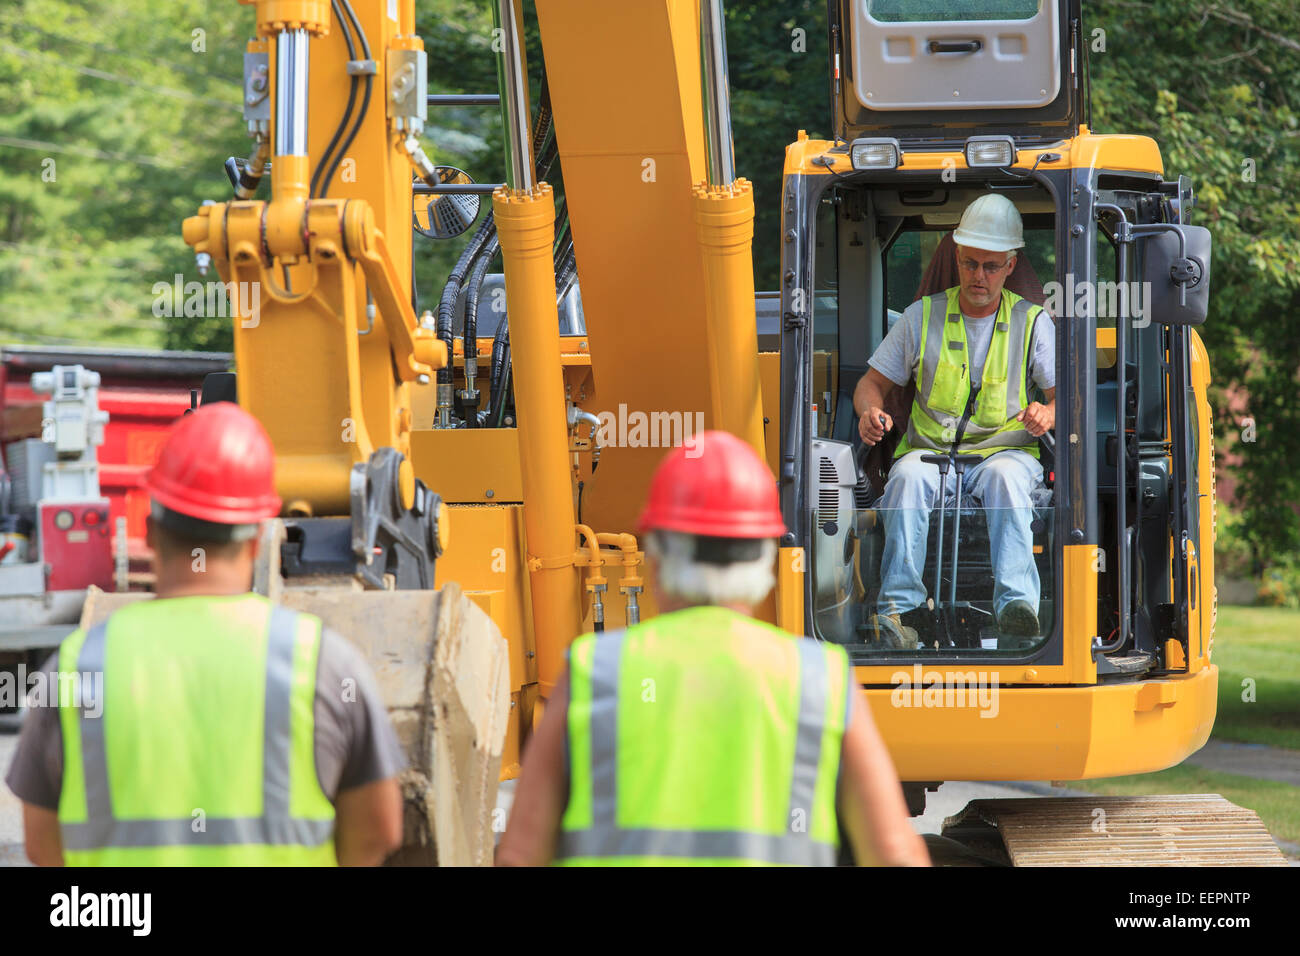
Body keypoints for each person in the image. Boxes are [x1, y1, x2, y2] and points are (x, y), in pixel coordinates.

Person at [498, 430, 929, 866]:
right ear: (765, 556)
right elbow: (895, 856)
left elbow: (519, 856)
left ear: (657, 556)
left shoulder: (596, 673)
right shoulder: (821, 681)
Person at [5, 402, 406, 866]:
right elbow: (379, 829)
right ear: (257, 540)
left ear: (151, 534)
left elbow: (40, 843)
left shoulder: (78, 667)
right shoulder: (323, 663)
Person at [853, 194, 1055, 648]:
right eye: (969, 264)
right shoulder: (921, 317)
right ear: (956, 258)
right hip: (931, 455)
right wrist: (869, 410)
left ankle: (1015, 610)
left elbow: (1066, 401)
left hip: (1004, 453)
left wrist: (1048, 411)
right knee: (904, 477)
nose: (978, 276)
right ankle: (898, 612)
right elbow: (870, 384)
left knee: (1005, 478)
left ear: (1010, 265)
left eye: (990, 266)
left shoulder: (1033, 323)